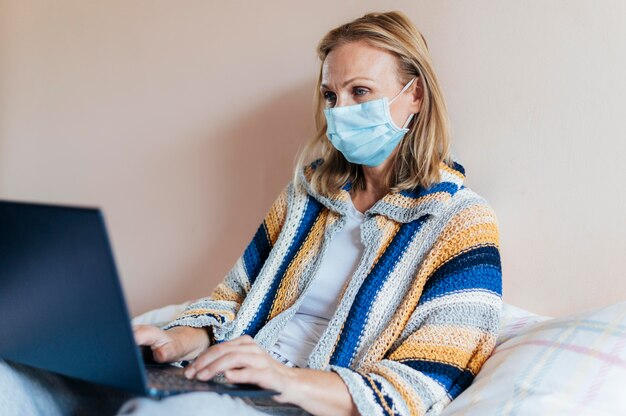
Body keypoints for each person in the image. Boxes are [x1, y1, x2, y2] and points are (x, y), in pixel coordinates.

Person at [0, 10, 502, 416]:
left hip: (303, 401)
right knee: (13, 376)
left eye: (360, 92)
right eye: (331, 95)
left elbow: (427, 381)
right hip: (230, 378)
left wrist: (284, 379)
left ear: (413, 96)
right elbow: (234, 300)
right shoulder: (306, 197)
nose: (340, 110)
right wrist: (174, 342)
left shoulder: (461, 224)